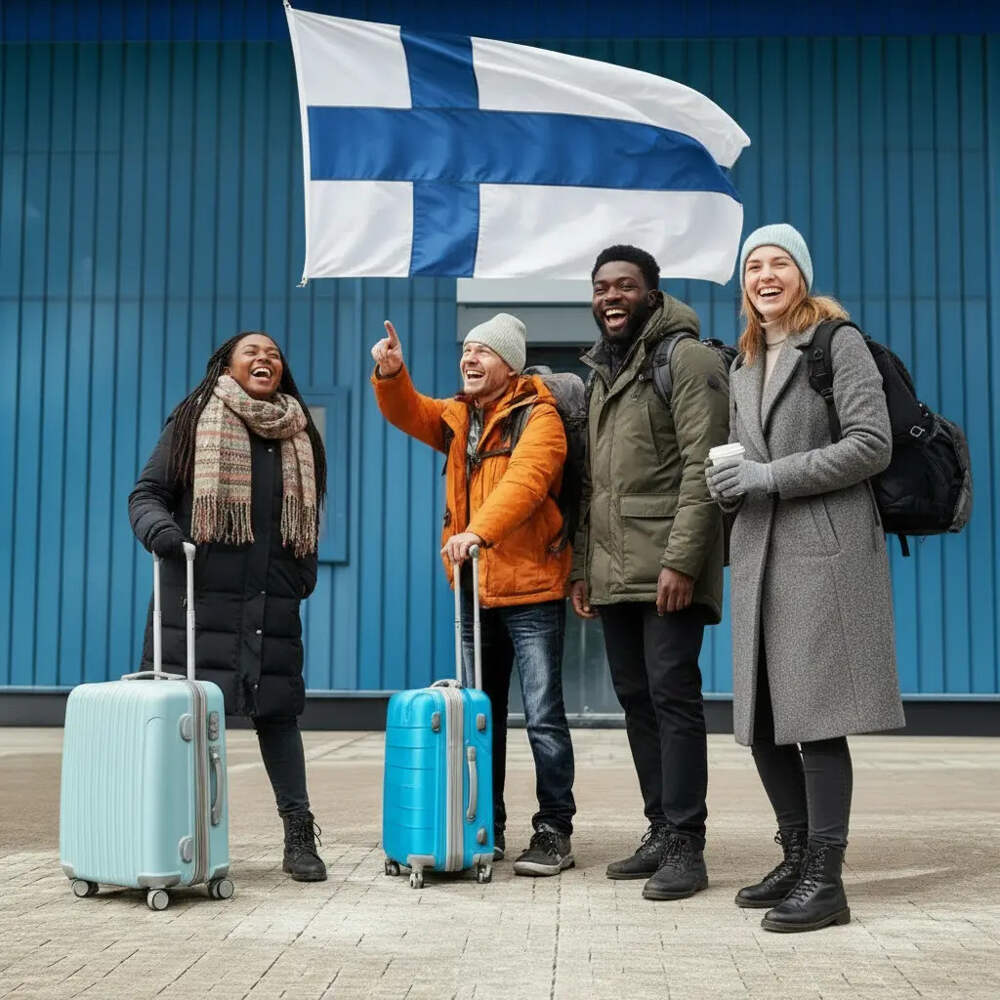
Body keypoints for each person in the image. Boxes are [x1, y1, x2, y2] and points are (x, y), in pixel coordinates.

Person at [706, 223, 905, 932]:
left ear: (802, 275)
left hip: (824, 552)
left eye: (779, 263)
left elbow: (872, 445)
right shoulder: (745, 360)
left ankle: (827, 879)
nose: (765, 275)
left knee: (815, 720)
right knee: (762, 719)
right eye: (753, 265)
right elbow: (748, 457)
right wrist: (727, 483)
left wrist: (766, 477)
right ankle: (794, 855)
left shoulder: (836, 343)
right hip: (760, 551)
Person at [371, 313, 577, 876]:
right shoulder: (459, 416)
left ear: (509, 364)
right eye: (466, 349)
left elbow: (526, 483)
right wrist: (391, 374)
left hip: (531, 588)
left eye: (483, 351)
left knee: (543, 718)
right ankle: (484, 825)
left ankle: (554, 831)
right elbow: (409, 411)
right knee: (479, 717)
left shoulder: (540, 415)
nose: (469, 358)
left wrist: (478, 532)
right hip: (472, 588)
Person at [129, 331, 329, 882]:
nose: (265, 359)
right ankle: (167, 835)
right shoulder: (194, 420)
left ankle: (298, 835)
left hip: (271, 604)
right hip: (196, 603)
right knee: (183, 721)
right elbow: (146, 495)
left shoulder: (300, 433)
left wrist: (302, 573)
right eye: (252, 352)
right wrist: (164, 536)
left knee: (278, 716)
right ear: (226, 365)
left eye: (273, 354)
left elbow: (308, 517)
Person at [570, 245, 730, 901]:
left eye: (625, 285)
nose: (611, 296)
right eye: (601, 287)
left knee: (672, 697)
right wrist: (583, 566)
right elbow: (593, 484)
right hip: (613, 569)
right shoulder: (603, 372)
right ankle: (661, 829)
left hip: (669, 566)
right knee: (637, 701)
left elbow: (705, 466)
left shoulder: (686, 359)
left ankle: (688, 845)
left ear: (652, 293)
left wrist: (683, 560)